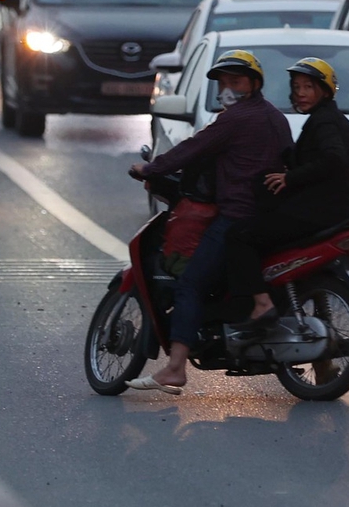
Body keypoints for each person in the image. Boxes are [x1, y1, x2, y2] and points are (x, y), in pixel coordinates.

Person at [124, 49, 291, 391]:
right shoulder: (276, 117)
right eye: (224, 82)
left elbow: (193, 148)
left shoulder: (236, 118)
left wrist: (151, 168)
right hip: (272, 215)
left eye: (237, 81)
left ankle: (174, 368)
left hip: (237, 214)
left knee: (190, 285)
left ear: (254, 84)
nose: (228, 88)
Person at [226, 56, 349, 334]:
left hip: (323, 211)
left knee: (238, 236)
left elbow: (334, 160)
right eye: (297, 87)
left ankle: (261, 303)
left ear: (325, 91)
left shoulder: (325, 122)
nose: (301, 93)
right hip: (345, 210)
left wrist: (290, 177)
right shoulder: (326, 120)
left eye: (309, 87)